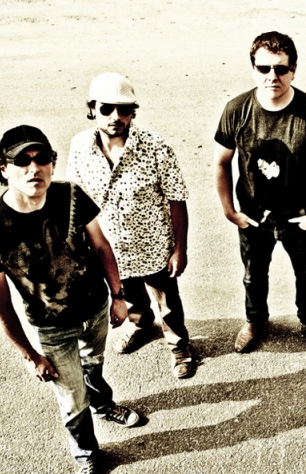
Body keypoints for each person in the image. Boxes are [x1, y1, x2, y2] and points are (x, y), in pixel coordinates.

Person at [0, 125, 141, 474]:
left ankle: (103, 404)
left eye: (42, 159)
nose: (34, 169)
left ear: (52, 162)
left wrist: (118, 296)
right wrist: (30, 356)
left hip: (96, 307)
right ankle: (86, 455)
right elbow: (1, 306)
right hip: (52, 328)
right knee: (71, 397)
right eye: (22, 161)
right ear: (3, 168)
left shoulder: (72, 196)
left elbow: (101, 246)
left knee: (93, 362)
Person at [214, 31, 306, 354]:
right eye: (263, 68)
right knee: (253, 277)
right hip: (253, 218)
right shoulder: (236, 110)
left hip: (300, 217)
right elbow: (221, 163)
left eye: (281, 68)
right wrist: (230, 212)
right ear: (253, 69)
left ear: (293, 70)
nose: (272, 76)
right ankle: (255, 320)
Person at [67, 72, 194, 379]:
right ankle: (140, 322)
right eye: (106, 108)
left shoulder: (155, 147)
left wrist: (180, 248)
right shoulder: (80, 147)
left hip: (154, 246)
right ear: (93, 108)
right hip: (110, 249)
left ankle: (179, 345)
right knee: (129, 293)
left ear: (132, 112)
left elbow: (177, 199)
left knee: (167, 303)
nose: (116, 117)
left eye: (124, 109)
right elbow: (75, 199)